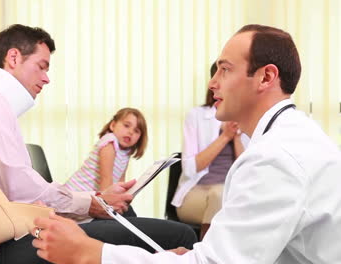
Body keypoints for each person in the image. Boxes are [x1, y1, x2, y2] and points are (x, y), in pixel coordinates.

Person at [30, 24, 341, 264]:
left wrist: (92, 252)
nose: (212, 82)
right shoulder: (289, 137)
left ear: (265, 77)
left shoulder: (276, 158)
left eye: (225, 69)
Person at [0, 24, 197, 258]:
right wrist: (91, 203)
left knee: (124, 217)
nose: (47, 79)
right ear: (13, 58)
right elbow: (25, 193)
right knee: (181, 234)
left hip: (10, 231)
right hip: (6, 243)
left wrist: (94, 200)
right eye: (42, 66)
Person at [172, 63, 249, 239]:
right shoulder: (197, 116)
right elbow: (190, 168)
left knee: (227, 197)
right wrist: (225, 137)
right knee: (219, 195)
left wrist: (236, 137)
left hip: (231, 194)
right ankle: (206, 252)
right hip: (197, 192)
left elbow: (246, 170)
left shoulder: (245, 117)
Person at [64, 107, 147, 192]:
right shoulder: (110, 142)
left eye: (136, 131)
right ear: (113, 125)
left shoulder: (126, 152)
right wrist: (109, 203)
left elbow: (120, 182)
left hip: (90, 198)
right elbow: (106, 180)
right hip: (74, 193)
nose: (131, 132)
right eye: (126, 126)